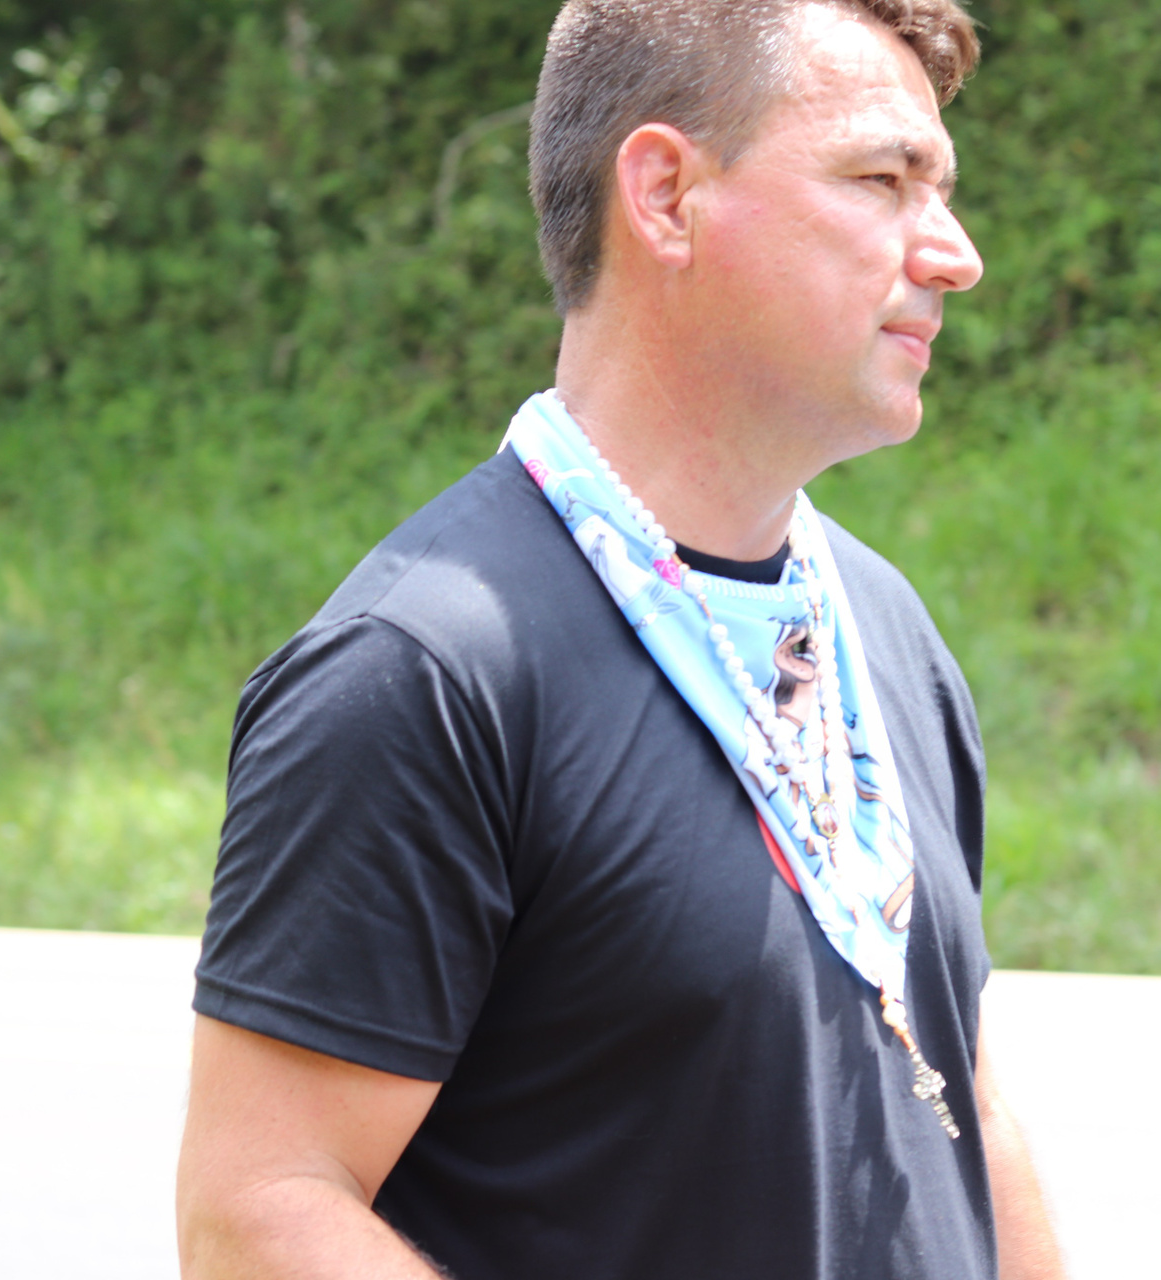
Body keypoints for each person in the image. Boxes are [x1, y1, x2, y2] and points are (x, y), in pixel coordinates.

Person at [175, 2, 1066, 1277]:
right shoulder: (423, 673)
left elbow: (960, 1097)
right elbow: (259, 1211)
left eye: (943, 190)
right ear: (665, 196)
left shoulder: (884, 633)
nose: (955, 254)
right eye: (883, 180)